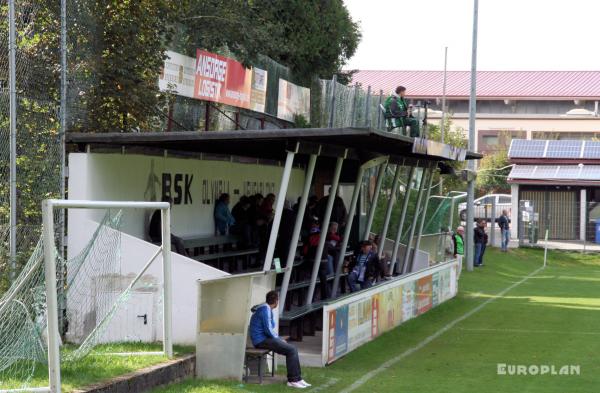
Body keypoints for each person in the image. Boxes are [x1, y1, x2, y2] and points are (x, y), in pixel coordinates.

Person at [249, 291, 310, 389]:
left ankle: (298, 378)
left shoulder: (267, 308)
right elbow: (268, 329)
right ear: (276, 301)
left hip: (264, 339)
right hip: (260, 341)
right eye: (278, 300)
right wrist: (279, 339)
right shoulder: (265, 309)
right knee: (291, 350)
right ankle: (292, 380)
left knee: (293, 348)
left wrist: (279, 338)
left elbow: (270, 327)